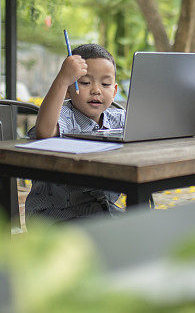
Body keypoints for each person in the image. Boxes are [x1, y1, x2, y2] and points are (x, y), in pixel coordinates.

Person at [24, 43, 125, 222]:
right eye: (85, 82)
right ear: (69, 89)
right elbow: (45, 132)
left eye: (106, 83)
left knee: (144, 229)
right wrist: (63, 79)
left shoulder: (118, 119)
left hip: (101, 212)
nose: (96, 90)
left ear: (115, 90)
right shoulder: (64, 115)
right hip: (57, 217)